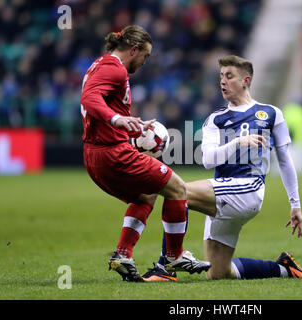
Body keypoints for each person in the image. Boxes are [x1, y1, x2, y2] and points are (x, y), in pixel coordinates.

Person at [140, 55, 302, 281]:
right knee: (218, 273)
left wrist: (295, 204)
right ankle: (284, 268)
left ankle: (166, 266)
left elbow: (285, 161)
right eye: (221, 76)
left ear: (245, 80)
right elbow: (208, 160)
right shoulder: (216, 119)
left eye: (229, 76)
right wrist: (237, 143)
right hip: (223, 191)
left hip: (248, 190)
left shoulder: (270, 113)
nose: (222, 81)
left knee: (177, 191)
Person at [79, 25, 210, 282]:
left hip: (94, 155)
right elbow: (89, 98)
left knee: (146, 195)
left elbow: (101, 102)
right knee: (177, 188)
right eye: (145, 56)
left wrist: (132, 125)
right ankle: (174, 255)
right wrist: (117, 120)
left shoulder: (100, 64)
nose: (144, 62)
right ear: (134, 49)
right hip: (113, 154)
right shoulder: (114, 68)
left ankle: (122, 254)